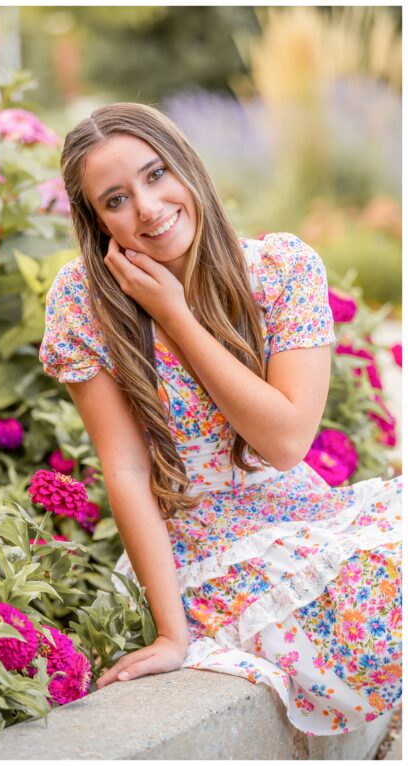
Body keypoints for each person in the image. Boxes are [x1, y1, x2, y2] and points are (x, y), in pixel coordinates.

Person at [40, 102, 401, 735]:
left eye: (156, 175)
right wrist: (172, 634)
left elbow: (285, 441)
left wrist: (177, 311)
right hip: (201, 547)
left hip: (298, 516)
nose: (148, 208)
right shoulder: (83, 302)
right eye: (117, 199)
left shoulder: (282, 270)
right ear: (96, 221)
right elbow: (125, 469)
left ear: (187, 166)